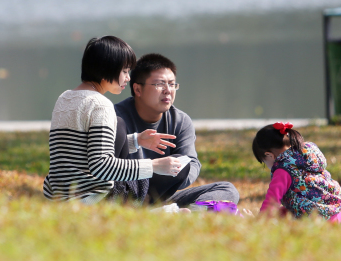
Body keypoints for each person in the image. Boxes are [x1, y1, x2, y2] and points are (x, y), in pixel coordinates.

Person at [43, 36, 185, 203]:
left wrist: (136, 141)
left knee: (119, 125)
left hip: (58, 199)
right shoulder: (101, 105)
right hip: (92, 199)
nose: (128, 78)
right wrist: (154, 166)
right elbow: (101, 166)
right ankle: (153, 209)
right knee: (157, 177)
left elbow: (80, 148)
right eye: (124, 71)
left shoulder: (65, 98)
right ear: (106, 68)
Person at [114, 53, 239, 208]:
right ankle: (168, 212)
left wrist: (173, 172)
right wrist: (152, 168)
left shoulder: (181, 120)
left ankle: (185, 212)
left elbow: (192, 163)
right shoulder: (115, 118)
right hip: (125, 194)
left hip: (165, 194)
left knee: (227, 190)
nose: (168, 90)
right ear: (138, 89)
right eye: (159, 84)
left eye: (172, 84)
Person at [253, 122, 341, 222]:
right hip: (335, 212)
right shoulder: (308, 155)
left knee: (279, 221)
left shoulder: (282, 169)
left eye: (264, 162)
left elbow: (272, 201)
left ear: (269, 155)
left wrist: (259, 223)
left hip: (316, 219)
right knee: (282, 213)